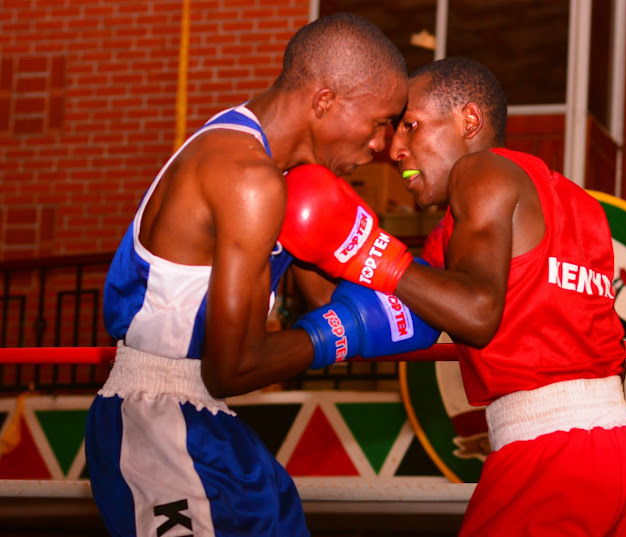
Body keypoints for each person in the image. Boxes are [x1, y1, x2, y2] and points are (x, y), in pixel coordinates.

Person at [85, 14, 428, 537]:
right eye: (380, 120)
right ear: (324, 101)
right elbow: (233, 366)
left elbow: (326, 296)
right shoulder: (248, 179)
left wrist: (381, 279)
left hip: (203, 417)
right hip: (158, 421)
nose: (381, 144)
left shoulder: (285, 178)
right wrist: (347, 331)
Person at [282, 57, 626, 535]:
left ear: (469, 121)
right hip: (623, 450)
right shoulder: (569, 201)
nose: (395, 148)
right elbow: (367, 313)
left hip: (553, 452)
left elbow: (477, 313)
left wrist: (373, 253)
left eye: (411, 126)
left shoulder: (479, 171)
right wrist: (311, 243)